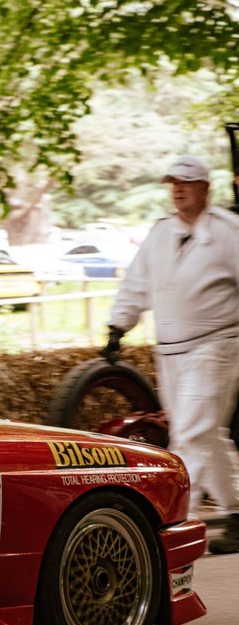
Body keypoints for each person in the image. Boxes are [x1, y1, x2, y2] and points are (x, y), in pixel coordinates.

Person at [103, 154, 239, 554]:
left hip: (217, 345)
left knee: (191, 433)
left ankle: (173, 523)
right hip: (171, 352)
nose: (178, 189)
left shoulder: (229, 232)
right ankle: (236, 511)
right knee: (206, 435)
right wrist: (118, 325)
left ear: (205, 188)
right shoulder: (160, 233)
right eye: (172, 183)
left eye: (186, 182)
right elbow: (137, 282)